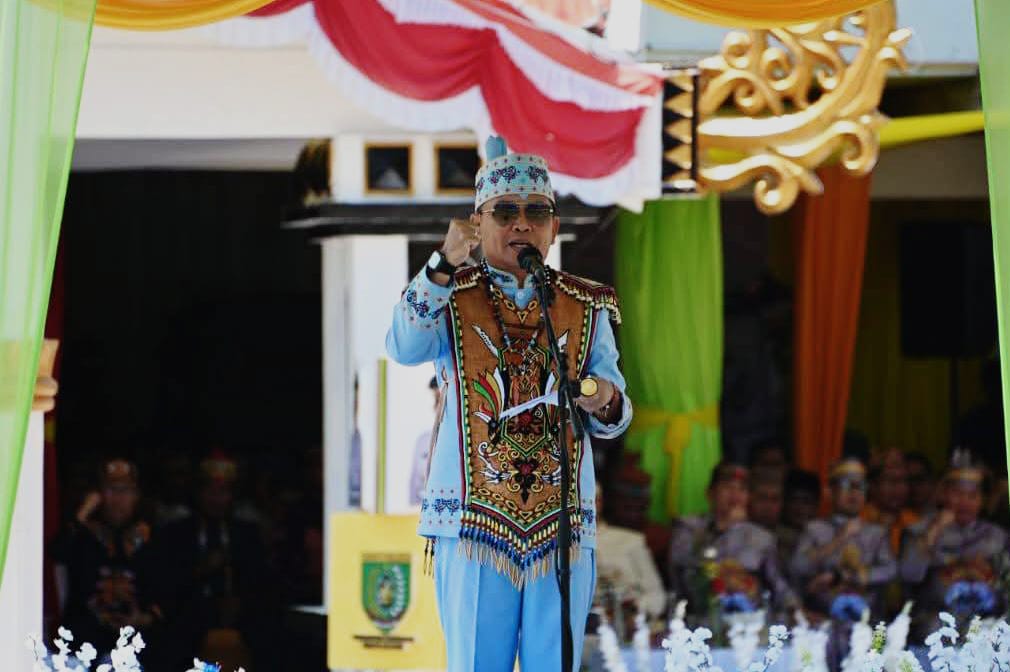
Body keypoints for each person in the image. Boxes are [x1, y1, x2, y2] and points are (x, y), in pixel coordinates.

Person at [386, 136, 632, 672]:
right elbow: (402, 346)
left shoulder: (586, 303)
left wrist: (596, 395)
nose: (522, 223)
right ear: (478, 222)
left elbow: (615, 413)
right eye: (505, 212)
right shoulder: (451, 291)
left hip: (562, 526)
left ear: (554, 228)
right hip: (473, 522)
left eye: (536, 212)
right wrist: (441, 264)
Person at [150, 453, 276, 672]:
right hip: (188, 620)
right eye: (210, 492)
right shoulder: (176, 533)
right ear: (199, 493)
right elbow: (166, 585)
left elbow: (261, 583)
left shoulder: (247, 534)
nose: (216, 499)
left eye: (223, 492)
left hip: (241, 619)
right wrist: (200, 571)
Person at [667, 461, 796, 630]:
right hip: (699, 619)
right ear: (710, 493)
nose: (735, 495)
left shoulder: (761, 537)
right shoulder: (689, 527)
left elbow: (777, 583)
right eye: (727, 487)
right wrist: (721, 530)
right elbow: (681, 564)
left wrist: (795, 608)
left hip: (748, 621)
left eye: (742, 489)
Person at [52, 459, 160, 655]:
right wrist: (82, 514)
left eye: (125, 490)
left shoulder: (151, 539)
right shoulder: (83, 536)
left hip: (137, 643)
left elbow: (166, 596)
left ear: (136, 495)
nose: (118, 499)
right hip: (86, 642)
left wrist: (143, 619)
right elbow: (57, 554)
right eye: (111, 490)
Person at [900, 456, 1007, 640]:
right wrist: (935, 530)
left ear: (982, 500)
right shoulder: (919, 530)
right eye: (957, 494)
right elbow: (909, 573)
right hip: (934, 620)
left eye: (972, 496)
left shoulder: (996, 536)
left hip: (985, 620)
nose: (964, 502)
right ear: (943, 494)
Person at [790, 458, 896, 623]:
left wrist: (845, 576)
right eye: (846, 485)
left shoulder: (876, 533)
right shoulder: (815, 529)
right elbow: (798, 566)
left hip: (868, 618)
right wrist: (839, 538)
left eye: (860, 486)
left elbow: (890, 570)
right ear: (830, 492)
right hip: (822, 618)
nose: (854, 493)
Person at [594, 486, 666, 620]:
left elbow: (656, 596)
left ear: (599, 502)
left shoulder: (631, 540)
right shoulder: (557, 546)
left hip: (628, 622)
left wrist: (633, 610)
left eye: (592, 500)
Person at [409, 376, 442, 506]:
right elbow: (414, 486)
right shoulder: (423, 441)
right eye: (436, 399)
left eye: (440, 399)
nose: (435, 405)